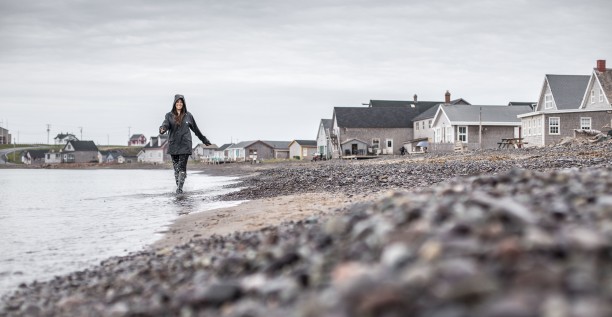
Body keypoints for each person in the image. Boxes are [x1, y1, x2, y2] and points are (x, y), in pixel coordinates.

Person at [159, 94, 211, 194]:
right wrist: (162, 129)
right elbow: (165, 124)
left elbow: (196, 129)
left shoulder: (189, 116)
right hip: (173, 145)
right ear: (174, 104)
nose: (179, 104)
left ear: (183, 104)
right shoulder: (169, 115)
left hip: (185, 144)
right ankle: (179, 186)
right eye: (177, 102)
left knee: (182, 167)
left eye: (181, 102)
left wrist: (204, 140)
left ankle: (179, 189)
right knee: (176, 169)